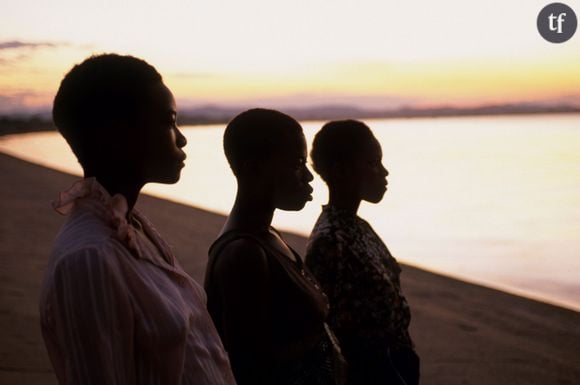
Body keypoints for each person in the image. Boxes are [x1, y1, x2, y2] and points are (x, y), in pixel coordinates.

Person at [38, 54, 236, 385]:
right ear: (116, 135)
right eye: (168, 121)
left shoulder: (130, 227)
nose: (182, 138)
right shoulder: (90, 258)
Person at [204, 108, 345, 385]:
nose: (308, 176)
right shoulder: (243, 254)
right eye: (296, 164)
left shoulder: (266, 236)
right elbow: (248, 369)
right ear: (254, 169)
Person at [305, 120, 420, 385]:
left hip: (395, 364)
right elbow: (324, 329)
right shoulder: (330, 241)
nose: (384, 172)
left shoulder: (356, 226)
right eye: (372, 163)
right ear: (340, 170)